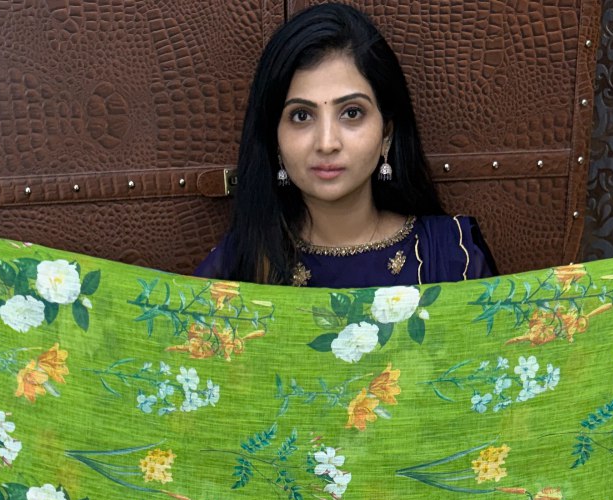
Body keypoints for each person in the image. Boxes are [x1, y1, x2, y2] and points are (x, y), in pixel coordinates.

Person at [194, 3, 497, 288]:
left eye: (352, 113)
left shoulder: (454, 258)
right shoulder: (240, 266)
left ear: (386, 132)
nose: (327, 143)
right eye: (301, 115)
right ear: (274, 136)